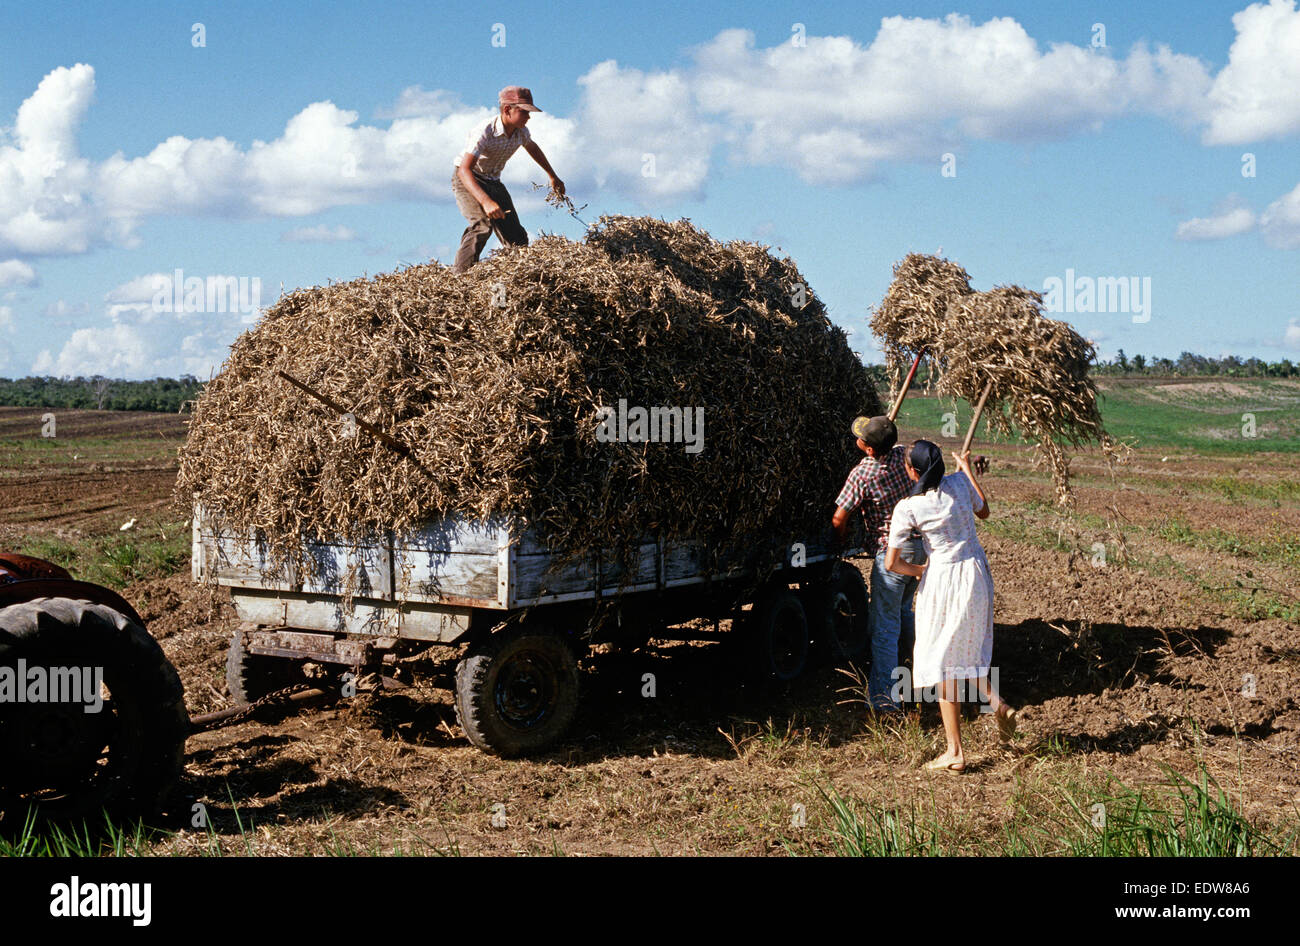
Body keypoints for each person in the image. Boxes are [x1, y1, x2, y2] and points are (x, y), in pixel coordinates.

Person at [884, 440, 1016, 772]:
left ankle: (955, 750)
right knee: (964, 648)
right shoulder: (958, 483)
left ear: (913, 470)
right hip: (975, 572)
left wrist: (920, 571)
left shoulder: (909, 507)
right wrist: (967, 469)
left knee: (941, 660)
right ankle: (997, 704)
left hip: (942, 580)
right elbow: (983, 509)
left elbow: (891, 563)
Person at [831, 416, 926, 712]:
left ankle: (885, 699)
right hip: (921, 549)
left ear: (868, 449)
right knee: (904, 613)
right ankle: (921, 677)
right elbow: (895, 445)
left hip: (892, 555)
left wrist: (840, 539)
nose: (857, 440)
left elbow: (839, 517)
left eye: (861, 439)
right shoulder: (902, 456)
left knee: (885, 626)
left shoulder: (862, 474)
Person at [450, 86, 565, 274]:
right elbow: (464, 170)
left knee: (517, 237)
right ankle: (460, 279)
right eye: (524, 112)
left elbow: (532, 148)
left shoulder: (521, 132)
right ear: (507, 110)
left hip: (493, 181)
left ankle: (518, 276)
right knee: (482, 226)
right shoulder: (485, 131)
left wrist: (553, 176)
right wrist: (486, 201)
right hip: (469, 178)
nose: (529, 117)